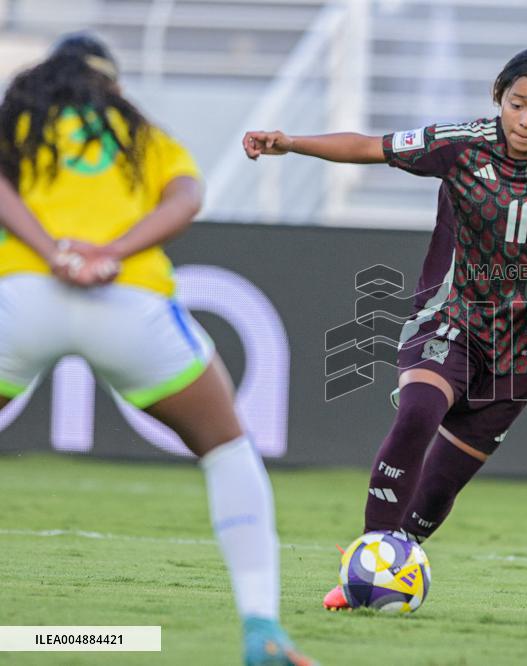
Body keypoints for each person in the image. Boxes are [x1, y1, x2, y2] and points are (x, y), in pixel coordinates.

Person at [243, 46, 527, 610]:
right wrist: (290, 143)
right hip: (451, 318)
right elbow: (369, 147)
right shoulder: (459, 144)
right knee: (417, 414)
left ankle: (389, 567)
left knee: (440, 486)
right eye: (517, 104)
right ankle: (365, 566)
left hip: (523, 352)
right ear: (498, 98)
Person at [0, 34, 315, 666]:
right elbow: (188, 197)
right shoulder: (139, 131)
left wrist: (52, 250)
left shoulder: (20, 118)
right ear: (113, 83)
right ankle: (262, 631)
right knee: (228, 450)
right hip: (127, 303)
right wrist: (110, 253)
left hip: (23, 296)